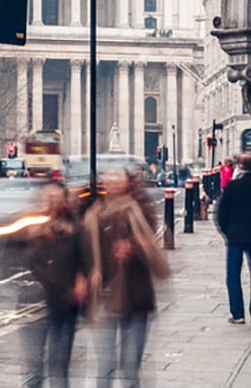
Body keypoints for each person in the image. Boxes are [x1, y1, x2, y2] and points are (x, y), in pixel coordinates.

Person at [86, 166, 170, 387]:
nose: (112, 180)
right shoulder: (94, 213)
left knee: (131, 368)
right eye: (109, 176)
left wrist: (134, 248)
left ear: (127, 181)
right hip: (105, 299)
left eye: (117, 176)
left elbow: (152, 245)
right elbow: (83, 250)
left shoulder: (139, 209)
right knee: (104, 367)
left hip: (136, 297)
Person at [15, 184, 89, 388]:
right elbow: (14, 261)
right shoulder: (30, 226)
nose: (53, 201)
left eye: (58, 197)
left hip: (65, 305)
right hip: (35, 305)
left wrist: (82, 279)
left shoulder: (74, 227)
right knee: (34, 369)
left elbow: (84, 260)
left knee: (59, 369)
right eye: (49, 197)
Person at [216, 152, 251, 325]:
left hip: (234, 237)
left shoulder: (232, 187)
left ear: (239, 166)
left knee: (233, 275)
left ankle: (238, 314)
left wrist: (226, 232)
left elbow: (220, 213)